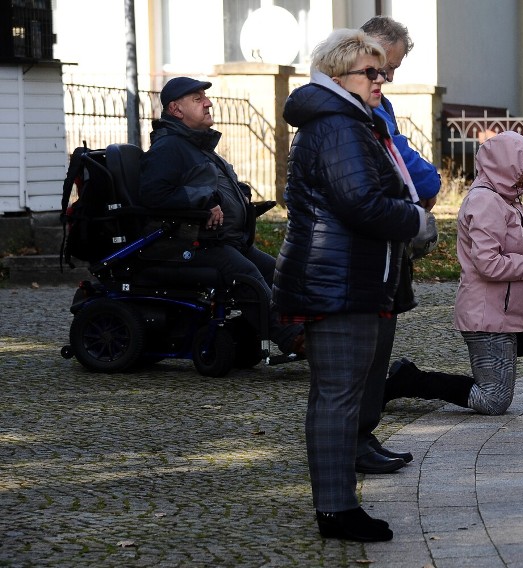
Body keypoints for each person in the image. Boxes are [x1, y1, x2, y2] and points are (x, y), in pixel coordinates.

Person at [272, 29, 435, 542]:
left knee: (334, 396)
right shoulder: (339, 125)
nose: (381, 81)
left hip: (343, 275)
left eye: (382, 72)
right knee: (338, 398)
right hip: (337, 278)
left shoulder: (342, 120)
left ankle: (337, 508)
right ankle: (338, 512)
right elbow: (359, 203)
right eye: (372, 72)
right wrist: (415, 221)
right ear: (338, 75)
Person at [384, 131, 523, 416]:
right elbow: (488, 263)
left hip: (502, 312)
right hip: (486, 315)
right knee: (493, 399)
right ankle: (408, 381)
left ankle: (408, 379)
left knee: (496, 394)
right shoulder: (486, 202)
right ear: (506, 166)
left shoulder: (507, 199)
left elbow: (508, 250)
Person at [138, 77, 303, 357]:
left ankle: (309, 327)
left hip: (224, 240)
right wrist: (204, 203)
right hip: (187, 245)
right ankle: (293, 339)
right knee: (246, 276)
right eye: (197, 98)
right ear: (176, 110)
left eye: (205, 97)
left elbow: (205, 185)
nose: (208, 102)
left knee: (280, 272)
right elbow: (152, 196)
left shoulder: (197, 145)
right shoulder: (169, 147)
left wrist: (240, 195)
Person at [353, 15, 441, 475]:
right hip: (360, 258)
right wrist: (413, 208)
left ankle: (363, 437)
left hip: (381, 253)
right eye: (383, 68)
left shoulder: (372, 107)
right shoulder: (346, 116)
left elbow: (402, 155)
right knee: (360, 355)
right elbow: (379, 180)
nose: (387, 79)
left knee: (377, 344)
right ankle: (353, 446)